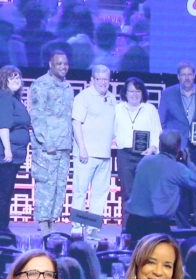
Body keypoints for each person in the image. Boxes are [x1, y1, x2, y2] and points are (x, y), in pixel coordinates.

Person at [158, 61, 196, 222]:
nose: (186, 78)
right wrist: (169, 142)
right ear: (178, 77)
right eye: (183, 75)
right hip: (177, 150)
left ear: (194, 75)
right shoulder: (168, 94)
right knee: (179, 190)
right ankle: (182, 228)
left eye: (189, 74)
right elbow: (161, 121)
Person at [124, 130, 196, 240]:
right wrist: (189, 162)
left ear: (160, 145)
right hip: (156, 227)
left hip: (133, 223)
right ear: (178, 148)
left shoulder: (145, 161)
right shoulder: (177, 168)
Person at [28, 48, 73, 234]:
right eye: (59, 64)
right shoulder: (41, 85)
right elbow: (37, 116)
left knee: (60, 186)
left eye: (65, 64)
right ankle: (43, 224)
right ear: (50, 65)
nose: (63, 67)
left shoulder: (68, 87)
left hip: (64, 146)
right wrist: (46, 142)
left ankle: (53, 221)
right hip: (48, 147)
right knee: (46, 185)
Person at [0, 64, 29, 238]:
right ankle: (1, 230)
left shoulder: (12, 98)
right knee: (1, 192)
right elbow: (2, 125)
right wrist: (8, 150)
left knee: (5, 191)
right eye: (12, 77)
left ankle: (2, 228)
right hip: (1, 154)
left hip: (11, 154)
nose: (17, 80)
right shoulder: (2, 98)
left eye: (18, 77)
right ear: (3, 80)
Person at [69, 64, 115, 240]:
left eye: (106, 79)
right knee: (80, 191)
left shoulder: (111, 98)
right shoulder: (83, 97)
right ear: (93, 79)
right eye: (100, 79)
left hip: (105, 154)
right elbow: (76, 123)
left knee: (100, 193)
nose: (103, 82)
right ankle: (77, 226)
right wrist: (82, 148)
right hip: (86, 153)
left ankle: (92, 227)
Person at [112, 76, 160, 226]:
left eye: (138, 91)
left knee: (144, 194)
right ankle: (127, 229)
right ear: (125, 93)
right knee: (127, 193)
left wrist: (153, 148)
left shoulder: (150, 109)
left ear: (142, 92)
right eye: (131, 91)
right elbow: (110, 130)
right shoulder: (117, 108)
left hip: (145, 157)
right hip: (124, 155)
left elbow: (157, 132)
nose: (134, 94)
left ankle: (142, 228)